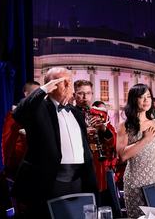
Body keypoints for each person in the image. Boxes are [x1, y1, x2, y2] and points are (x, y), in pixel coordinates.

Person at [12, 67, 96, 218]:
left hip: (78, 179)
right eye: (63, 82)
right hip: (50, 179)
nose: (69, 86)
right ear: (51, 86)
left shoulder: (76, 112)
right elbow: (19, 113)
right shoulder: (39, 108)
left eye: (70, 82)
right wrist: (43, 90)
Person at [117, 84, 155, 218]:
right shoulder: (125, 126)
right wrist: (145, 139)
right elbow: (122, 155)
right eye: (141, 97)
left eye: (149, 96)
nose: (146, 100)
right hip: (135, 180)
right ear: (134, 99)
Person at [1, 80, 40, 179]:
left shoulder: (42, 111)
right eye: (35, 92)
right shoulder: (14, 114)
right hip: (20, 163)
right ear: (26, 93)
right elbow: (7, 140)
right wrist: (8, 165)